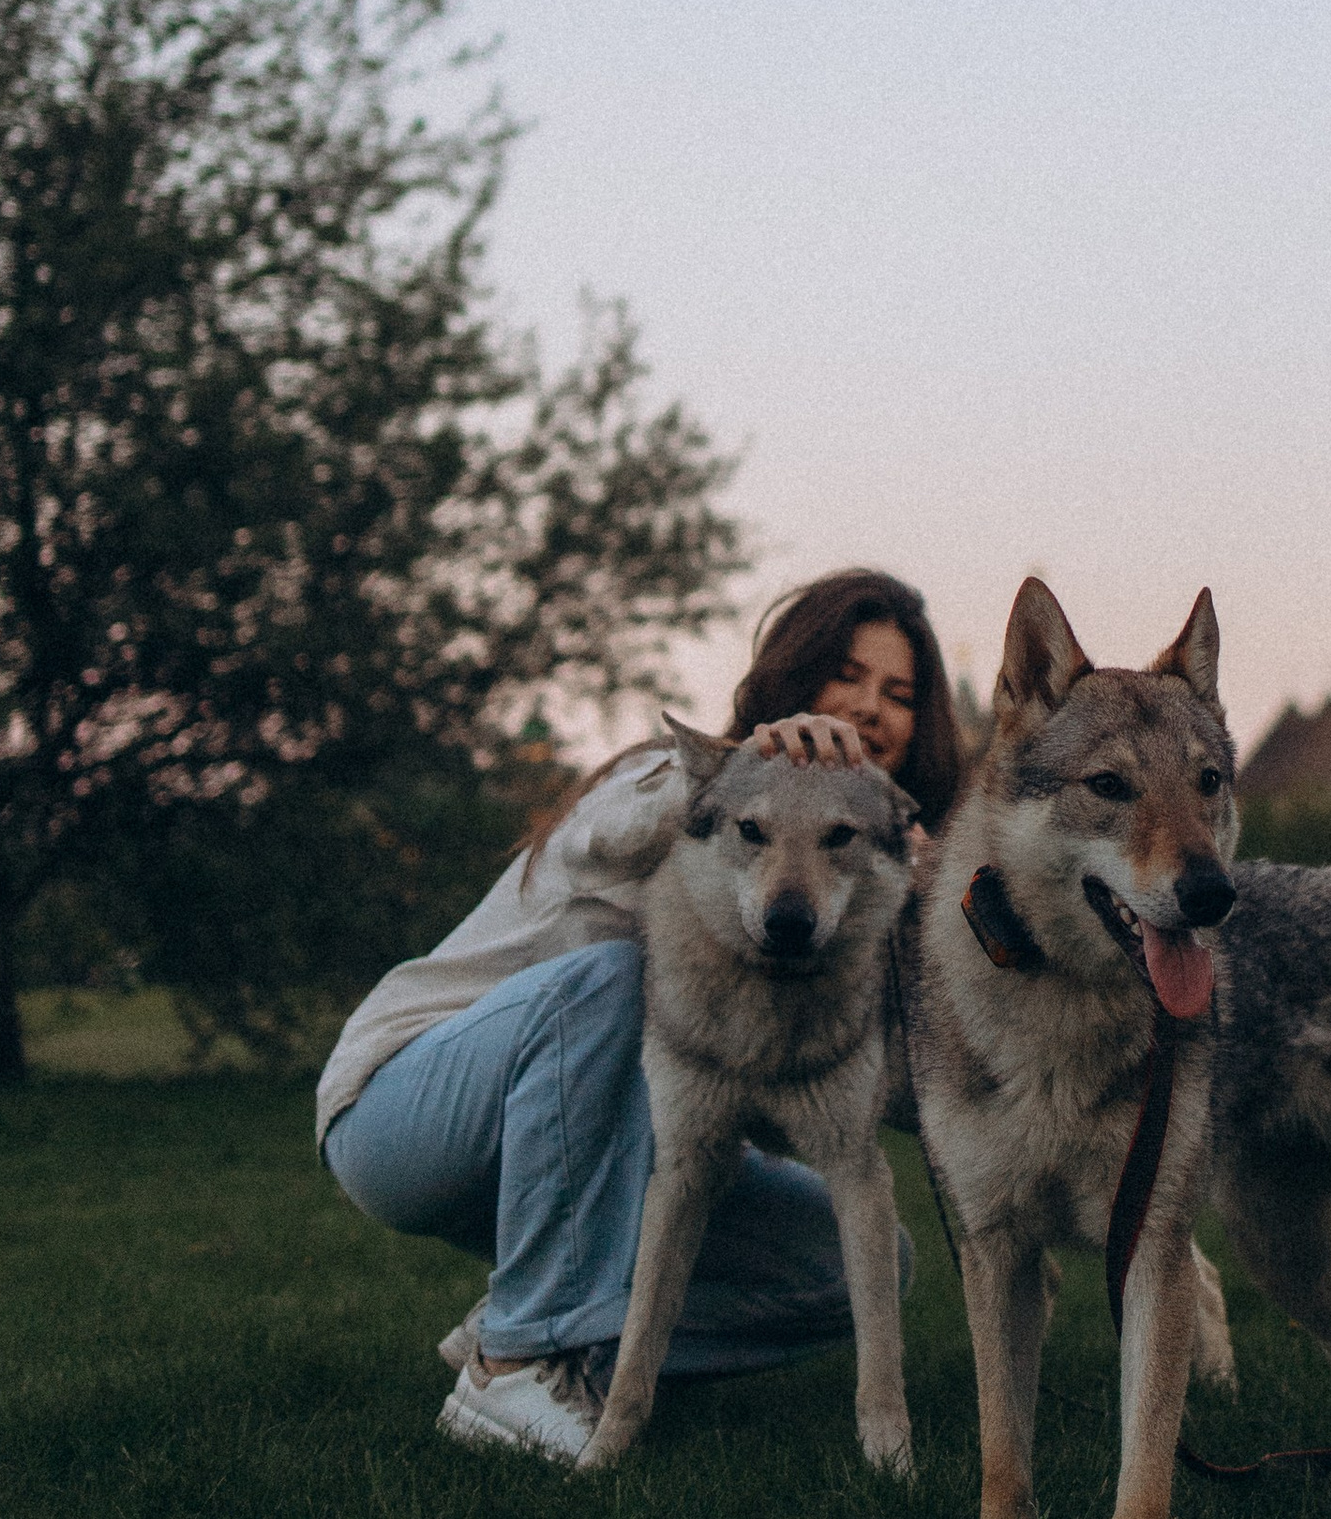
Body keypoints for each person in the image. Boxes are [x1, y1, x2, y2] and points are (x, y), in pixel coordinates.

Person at [317, 569, 963, 1466]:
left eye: (898, 694)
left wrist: (933, 898)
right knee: (624, 973)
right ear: (793, 677)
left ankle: (561, 1336)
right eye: (846, 675)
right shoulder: (669, 776)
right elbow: (608, 835)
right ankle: (514, 1360)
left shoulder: (852, 889)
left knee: (858, 1265)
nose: (868, 708)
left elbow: (906, 1087)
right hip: (405, 1111)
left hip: (572, 1160)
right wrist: (737, 767)